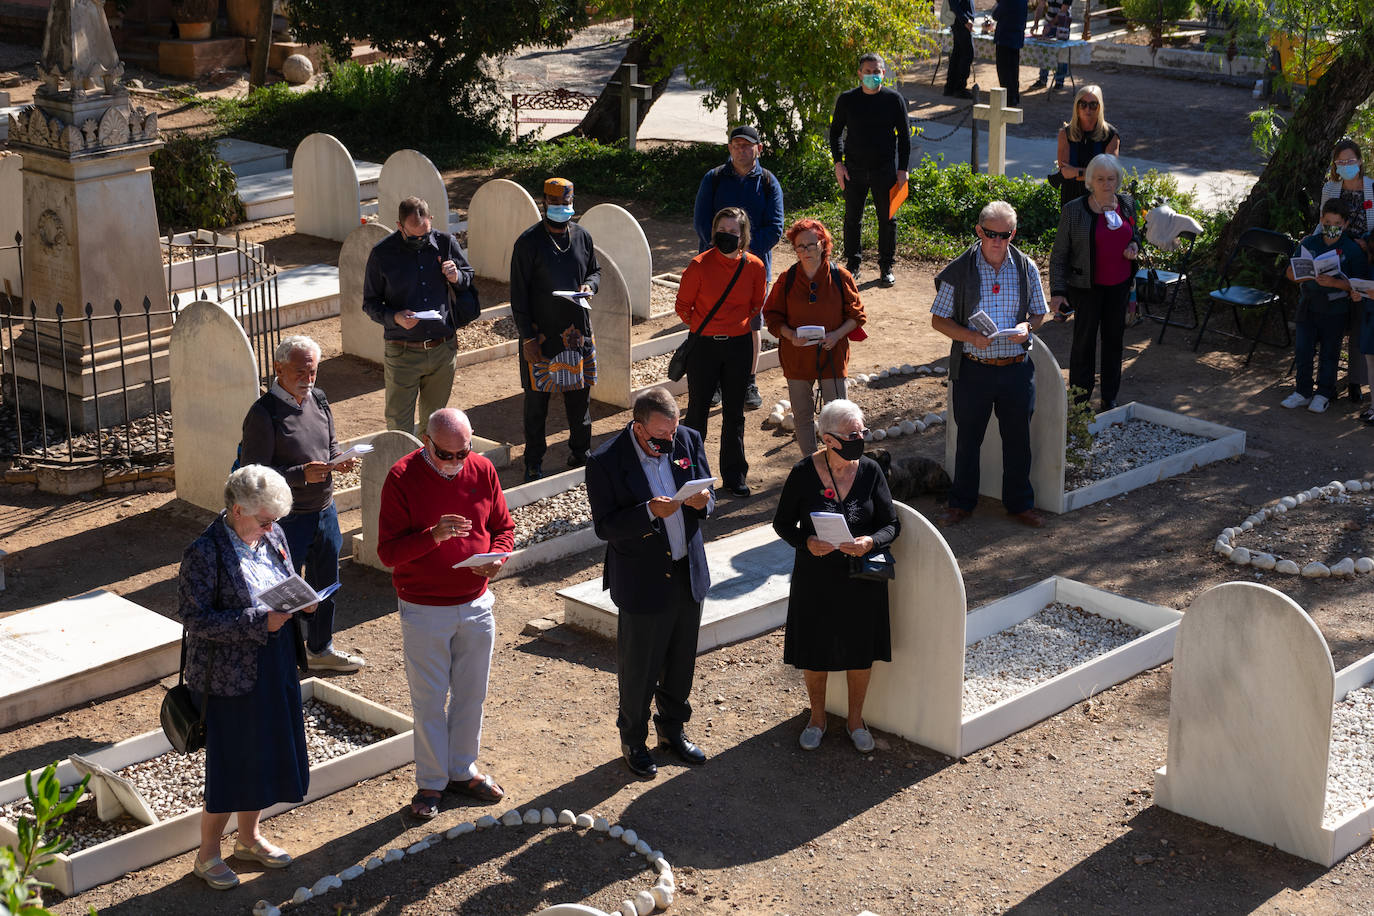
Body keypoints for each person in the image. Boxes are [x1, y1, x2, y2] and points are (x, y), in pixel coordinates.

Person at [177, 465, 312, 891]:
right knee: (232, 764)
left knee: (265, 754)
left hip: (275, 661)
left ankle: (249, 839)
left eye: (275, 520)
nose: (272, 528)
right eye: (265, 520)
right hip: (228, 676)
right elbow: (194, 619)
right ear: (237, 510)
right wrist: (258, 622)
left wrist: (303, 600)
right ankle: (207, 855)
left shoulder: (272, 533)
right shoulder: (205, 552)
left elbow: (285, 582)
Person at [376, 408, 514, 819]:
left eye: (463, 453)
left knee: (472, 694)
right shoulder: (401, 477)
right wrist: (432, 536)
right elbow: (388, 553)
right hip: (424, 607)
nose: (455, 462)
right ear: (426, 441)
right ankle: (432, 782)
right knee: (430, 700)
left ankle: (462, 770)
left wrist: (498, 558)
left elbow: (503, 527)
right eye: (445, 454)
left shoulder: (482, 469)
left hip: (475, 602)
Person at [585, 387, 715, 780]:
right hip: (642, 579)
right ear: (639, 428)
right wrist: (647, 512)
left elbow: (708, 493)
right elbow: (605, 526)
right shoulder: (605, 461)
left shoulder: (687, 439)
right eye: (661, 435)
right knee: (639, 669)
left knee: (681, 662)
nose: (670, 441)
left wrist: (704, 502)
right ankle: (634, 741)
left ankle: (672, 731)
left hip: (686, 571)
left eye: (673, 432)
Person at [772, 399, 899, 754]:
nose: (860, 439)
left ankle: (856, 721)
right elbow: (782, 524)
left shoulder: (871, 471)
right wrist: (806, 542)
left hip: (862, 579)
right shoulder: (802, 472)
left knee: (860, 652)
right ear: (828, 439)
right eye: (852, 435)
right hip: (816, 578)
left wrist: (870, 541)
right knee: (815, 651)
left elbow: (891, 524)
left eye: (862, 432)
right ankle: (817, 719)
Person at [240, 334, 365, 673]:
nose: (308, 379)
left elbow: (330, 444)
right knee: (283, 591)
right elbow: (253, 475)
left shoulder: (319, 399)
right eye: (300, 372)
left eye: (313, 372)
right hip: (286, 520)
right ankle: (282, 658)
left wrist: (339, 459)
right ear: (278, 368)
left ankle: (320, 649)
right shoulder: (263, 414)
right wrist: (299, 475)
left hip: (324, 510)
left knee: (325, 585)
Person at [930, 200, 1049, 528]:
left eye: (1005, 234)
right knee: (968, 440)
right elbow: (938, 320)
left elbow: (1040, 313)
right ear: (979, 231)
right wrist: (969, 335)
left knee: (1018, 440)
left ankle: (1020, 505)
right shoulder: (960, 269)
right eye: (991, 233)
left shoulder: (1025, 267)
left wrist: (1027, 326)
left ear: (1013, 233)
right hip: (974, 368)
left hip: (1016, 367)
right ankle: (960, 504)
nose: (997, 240)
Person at [510, 177, 601, 482]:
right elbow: (518, 295)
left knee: (579, 401)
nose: (562, 208)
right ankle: (533, 461)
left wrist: (590, 286)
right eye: (556, 203)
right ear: (544, 203)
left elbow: (595, 270)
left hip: (577, 334)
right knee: (537, 404)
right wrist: (527, 337)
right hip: (540, 335)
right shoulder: (528, 243)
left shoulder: (582, 237)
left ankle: (580, 453)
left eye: (567, 203)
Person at [363, 196, 476, 434]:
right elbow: (370, 303)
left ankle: (428, 459)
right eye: (413, 236)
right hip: (402, 351)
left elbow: (468, 276)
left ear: (431, 220)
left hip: (442, 348)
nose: (421, 240)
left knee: (435, 425)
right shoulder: (382, 254)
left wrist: (456, 276)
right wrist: (395, 317)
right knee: (399, 425)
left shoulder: (445, 242)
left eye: (425, 234)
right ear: (399, 226)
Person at [693, 124, 785, 410]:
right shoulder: (714, 178)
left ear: (759, 149)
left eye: (747, 145)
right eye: (736, 145)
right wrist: (723, 254)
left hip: (753, 269)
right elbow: (701, 222)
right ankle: (716, 382)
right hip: (714, 267)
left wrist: (741, 255)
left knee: (751, 325)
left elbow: (775, 228)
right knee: (713, 322)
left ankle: (748, 381)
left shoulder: (768, 182)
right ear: (729, 148)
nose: (741, 150)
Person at [677, 207, 766, 498]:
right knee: (697, 412)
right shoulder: (699, 265)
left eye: (733, 232)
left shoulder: (755, 266)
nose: (726, 235)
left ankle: (734, 475)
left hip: (738, 346)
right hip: (704, 346)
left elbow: (756, 304)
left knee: (734, 414)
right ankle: (690, 475)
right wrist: (706, 326)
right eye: (722, 230)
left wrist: (732, 324)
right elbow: (683, 307)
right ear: (714, 232)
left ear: (743, 236)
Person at [763, 218, 866, 456]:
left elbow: (857, 315)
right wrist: (790, 335)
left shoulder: (840, 276)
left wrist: (836, 335)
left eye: (811, 244)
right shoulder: (787, 278)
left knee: (839, 416)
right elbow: (772, 316)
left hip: (832, 354)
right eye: (800, 246)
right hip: (796, 356)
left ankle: (838, 461)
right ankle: (811, 463)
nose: (806, 250)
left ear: (823, 244)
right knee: (802, 415)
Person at [1048, 153, 1141, 410]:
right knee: (1084, 344)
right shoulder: (1074, 210)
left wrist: (1134, 245)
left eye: (1111, 178)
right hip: (1086, 288)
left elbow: (1135, 233)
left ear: (1117, 180)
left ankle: (1109, 397)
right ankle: (1080, 400)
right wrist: (1058, 291)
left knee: (1114, 342)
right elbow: (1059, 255)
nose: (1106, 184)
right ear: (1090, 180)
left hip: (1119, 286)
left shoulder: (1126, 203)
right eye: (1100, 179)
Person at [829, 52, 913, 288]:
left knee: (887, 219)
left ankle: (886, 266)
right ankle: (853, 266)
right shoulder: (847, 100)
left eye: (876, 72)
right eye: (868, 71)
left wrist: (902, 169)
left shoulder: (894, 100)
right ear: (859, 73)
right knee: (852, 219)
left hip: (885, 171)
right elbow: (835, 132)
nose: (872, 75)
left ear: (883, 73)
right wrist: (838, 163)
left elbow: (904, 137)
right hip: (853, 170)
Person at [1282, 199, 1368, 415]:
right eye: (1328, 222)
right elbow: (1290, 273)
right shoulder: (1309, 243)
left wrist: (1334, 283)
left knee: (1329, 353)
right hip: (1308, 304)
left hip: (1336, 309)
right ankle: (1302, 391)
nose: (1332, 227)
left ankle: (1323, 393)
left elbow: (1358, 284)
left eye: (1337, 223)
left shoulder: (1352, 249)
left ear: (1345, 224)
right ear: (1321, 220)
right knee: (1303, 350)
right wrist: (1305, 276)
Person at [1317, 138, 1372, 403]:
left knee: (1361, 319)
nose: (1346, 165)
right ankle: (1325, 380)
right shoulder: (1330, 188)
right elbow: (1323, 222)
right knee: (1335, 315)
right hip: (1335, 258)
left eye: (1350, 160)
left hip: (1364, 260)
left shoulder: (1372, 188)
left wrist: (1367, 243)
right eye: (1341, 161)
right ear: (1335, 165)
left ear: (1360, 161)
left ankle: (1355, 381)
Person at [1053, 85, 1120, 207]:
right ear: (1076, 106)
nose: (1087, 109)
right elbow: (1065, 172)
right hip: (1071, 197)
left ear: (1100, 107)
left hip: (1100, 197)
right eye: (1083, 104)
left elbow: (1108, 174)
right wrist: (1095, 174)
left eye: (1093, 105)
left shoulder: (1110, 135)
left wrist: (1076, 172)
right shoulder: (1065, 134)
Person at [988, 0, 1029, 106]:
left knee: (1004, 71)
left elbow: (995, 15)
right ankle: (1014, 96)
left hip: (1005, 38)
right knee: (1013, 70)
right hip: (1016, 37)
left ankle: (1008, 98)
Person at [1030, 0, 1072, 90]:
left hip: (1063, 25)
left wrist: (1050, 25)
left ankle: (1059, 81)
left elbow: (1063, 10)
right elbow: (1040, 6)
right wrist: (1036, 23)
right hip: (1049, 22)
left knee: (1061, 53)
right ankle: (1042, 79)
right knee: (1045, 52)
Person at [943, 0, 976, 99]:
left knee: (957, 54)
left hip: (961, 22)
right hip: (961, 23)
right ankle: (959, 88)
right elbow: (954, 4)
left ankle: (950, 87)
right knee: (967, 54)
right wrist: (965, 20)